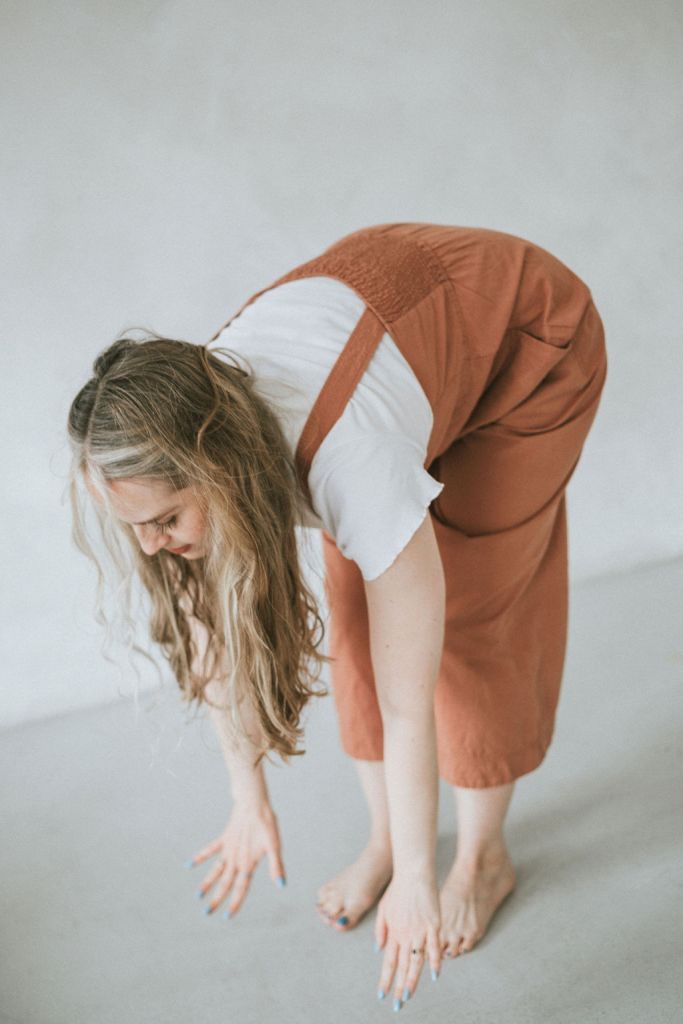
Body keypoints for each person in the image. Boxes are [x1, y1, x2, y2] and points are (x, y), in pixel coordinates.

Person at [67, 222, 607, 1013]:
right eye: (133, 527)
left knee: (468, 613)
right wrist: (247, 801)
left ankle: (482, 859)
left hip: (524, 339)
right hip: (401, 337)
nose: (151, 546)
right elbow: (214, 637)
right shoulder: (182, 438)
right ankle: (385, 836)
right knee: (358, 613)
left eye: (165, 520)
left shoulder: (349, 461)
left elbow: (404, 696)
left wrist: (423, 884)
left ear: (217, 468)